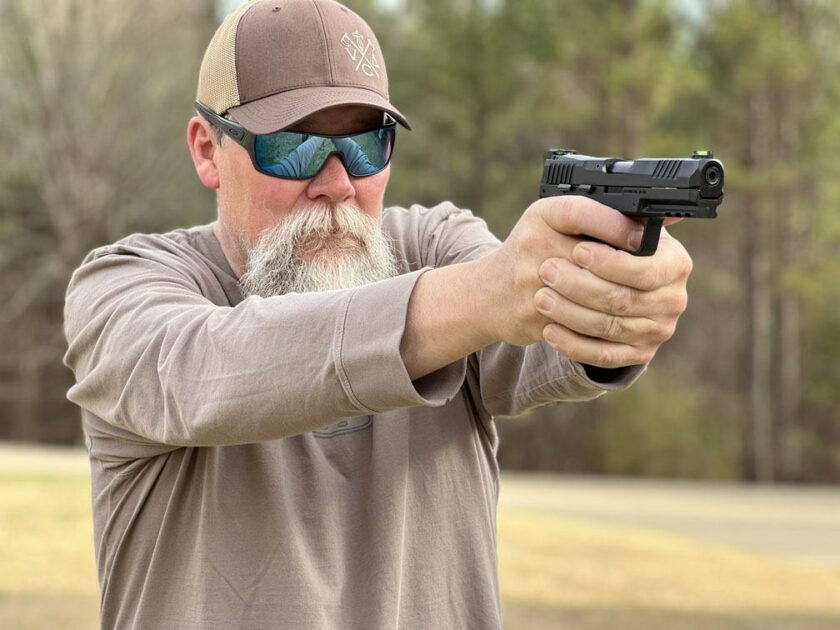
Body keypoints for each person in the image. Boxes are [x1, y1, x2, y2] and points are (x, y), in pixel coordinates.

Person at [62, 0, 693, 628]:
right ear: (207, 150)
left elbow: (538, 343)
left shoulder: (434, 245)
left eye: (366, 144)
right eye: (294, 147)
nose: (337, 182)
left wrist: (614, 299)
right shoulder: (123, 286)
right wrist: (485, 296)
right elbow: (203, 373)